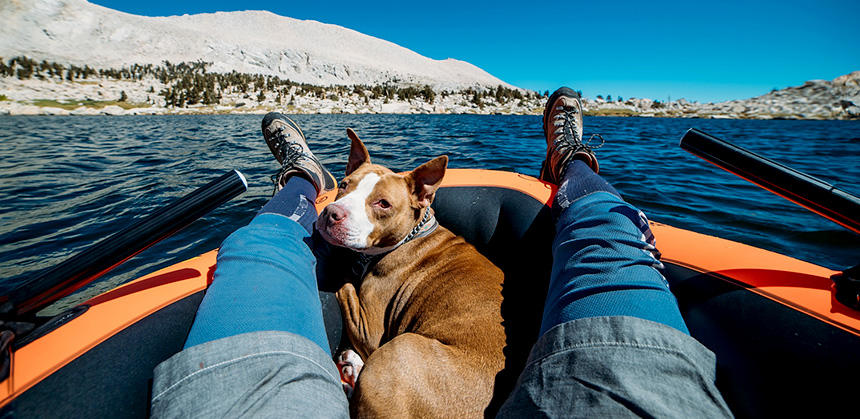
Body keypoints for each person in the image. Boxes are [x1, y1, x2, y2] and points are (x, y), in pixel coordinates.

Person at [150, 88, 732, 417]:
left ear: (419, 201)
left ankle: (300, 184)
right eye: (345, 190)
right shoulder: (417, 241)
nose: (345, 208)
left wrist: (353, 303)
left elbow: (372, 335)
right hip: (607, 388)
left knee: (259, 248)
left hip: (444, 383)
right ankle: (575, 167)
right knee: (609, 239)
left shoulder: (410, 257)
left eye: (379, 204)